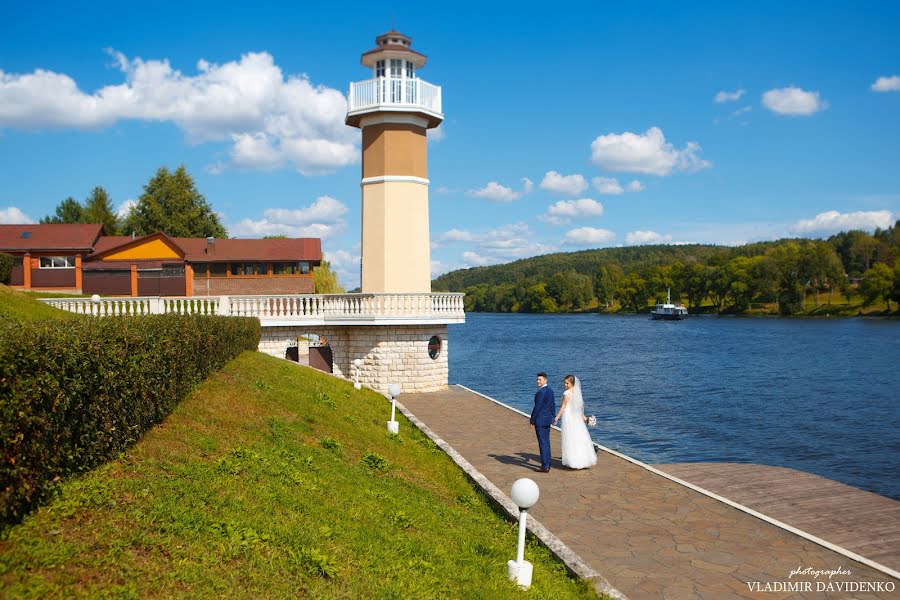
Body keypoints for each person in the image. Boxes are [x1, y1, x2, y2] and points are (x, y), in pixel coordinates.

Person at [553, 374, 597, 469]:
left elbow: (563, 407)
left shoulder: (566, 393)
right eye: (564, 383)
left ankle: (574, 461)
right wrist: (583, 417)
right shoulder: (577, 393)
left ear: (572, 383)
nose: (565, 385)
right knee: (578, 437)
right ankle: (582, 460)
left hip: (569, 417)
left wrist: (556, 418)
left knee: (570, 438)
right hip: (576, 418)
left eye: (567, 383)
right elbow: (579, 407)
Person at [530, 372, 555, 473]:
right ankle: (548, 462)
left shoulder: (541, 392)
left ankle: (545, 466)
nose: (538, 381)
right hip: (547, 420)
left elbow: (537, 408)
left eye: (540, 380)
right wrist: (552, 417)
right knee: (547, 442)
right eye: (537, 379)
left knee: (543, 443)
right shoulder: (550, 391)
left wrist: (532, 420)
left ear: (545, 380)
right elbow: (553, 405)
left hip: (540, 421)